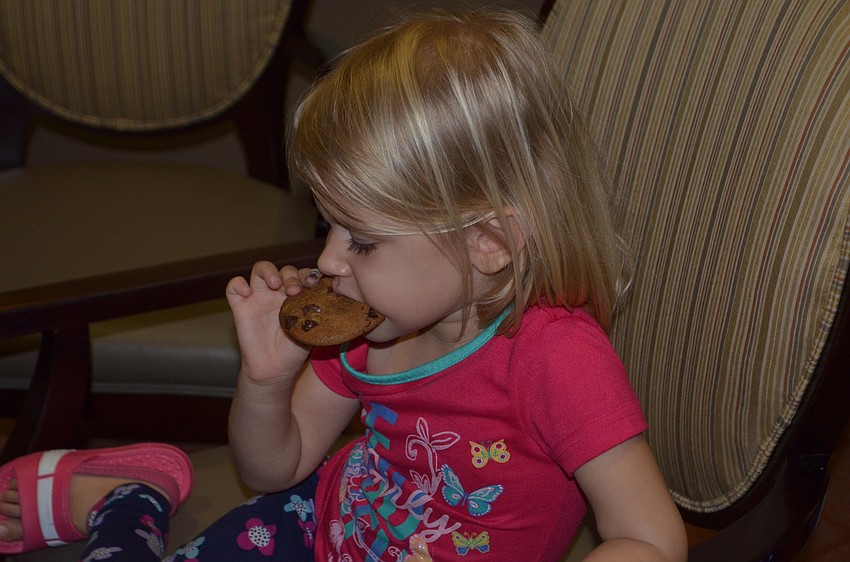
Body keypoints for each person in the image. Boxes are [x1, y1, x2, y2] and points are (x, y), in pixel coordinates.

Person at [0, 8, 687, 562]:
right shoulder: (369, 329)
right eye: (327, 225)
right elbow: (277, 467)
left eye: (362, 239)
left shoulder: (557, 360)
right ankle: (130, 501)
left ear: (490, 244)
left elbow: (651, 537)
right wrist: (266, 382)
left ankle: (124, 506)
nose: (329, 262)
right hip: (308, 525)